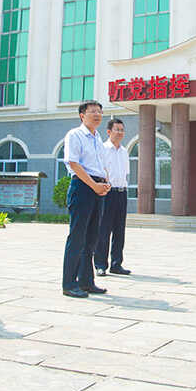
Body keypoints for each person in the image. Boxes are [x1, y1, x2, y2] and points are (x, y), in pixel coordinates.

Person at [62, 101, 111, 298]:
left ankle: (86, 281)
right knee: (77, 237)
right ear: (82, 115)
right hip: (82, 187)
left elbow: (101, 165)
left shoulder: (98, 138)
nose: (98, 115)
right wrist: (93, 185)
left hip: (97, 188)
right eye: (93, 112)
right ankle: (69, 283)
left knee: (91, 238)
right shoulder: (75, 135)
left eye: (100, 111)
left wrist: (105, 182)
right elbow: (73, 163)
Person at [95, 118, 131, 277]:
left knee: (119, 230)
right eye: (117, 129)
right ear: (109, 132)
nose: (120, 132)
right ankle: (100, 264)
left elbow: (125, 174)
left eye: (122, 130)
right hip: (107, 193)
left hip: (122, 193)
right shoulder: (102, 149)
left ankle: (117, 264)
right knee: (104, 230)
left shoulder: (124, 152)